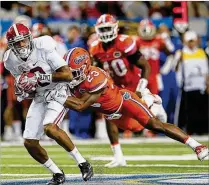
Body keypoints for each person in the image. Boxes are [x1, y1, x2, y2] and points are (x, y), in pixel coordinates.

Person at [45, 47, 209, 163]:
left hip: (124, 102)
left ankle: (197, 146)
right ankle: (149, 102)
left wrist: (55, 95)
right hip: (113, 114)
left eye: (73, 72)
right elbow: (55, 82)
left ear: (85, 68)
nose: (70, 76)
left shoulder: (95, 77)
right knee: (138, 129)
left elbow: (81, 106)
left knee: (154, 125)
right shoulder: (73, 79)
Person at [3, 23, 93, 185]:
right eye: (17, 42)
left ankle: (83, 163)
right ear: (11, 45)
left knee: (49, 127)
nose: (22, 45)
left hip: (58, 91)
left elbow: (67, 75)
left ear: (30, 38)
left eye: (24, 40)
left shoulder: (43, 46)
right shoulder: (10, 59)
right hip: (39, 95)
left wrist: (39, 78)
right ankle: (57, 173)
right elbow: (26, 85)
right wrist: (24, 90)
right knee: (29, 142)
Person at [89, 14, 151, 167]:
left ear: (115, 28)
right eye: (102, 29)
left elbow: (145, 66)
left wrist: (140, 88)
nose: (104, 32)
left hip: (132, 85)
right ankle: (118, 156)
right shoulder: (95, 48)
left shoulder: (125, 42)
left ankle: (153, 102)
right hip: (114, 88)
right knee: (108, 115)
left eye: (107, 28)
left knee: (141, 124)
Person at [174, 30, 209, 135]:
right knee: (189, 110)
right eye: (189, 41)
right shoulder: (181, 53)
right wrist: (178, 59)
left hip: (200, 85)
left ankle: (202, 130)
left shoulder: (201, 52)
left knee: (202, 109)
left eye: (193, 41)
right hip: (188, 86)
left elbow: (205, 70)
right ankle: (190, 129)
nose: (191, 43)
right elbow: (176, 69)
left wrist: (207, 84)